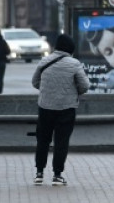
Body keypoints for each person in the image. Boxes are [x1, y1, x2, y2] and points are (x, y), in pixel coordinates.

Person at [32, 34, 90, 187]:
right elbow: (84, 86)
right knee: (61, 142)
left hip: (45, 107)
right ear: (71, 48)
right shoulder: (75, 64)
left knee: (43, 140)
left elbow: (35, 82)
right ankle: (57, 175)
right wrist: (71, 93)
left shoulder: (44, 61)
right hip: (66, 108)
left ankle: (39, 173)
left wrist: (48, 91)